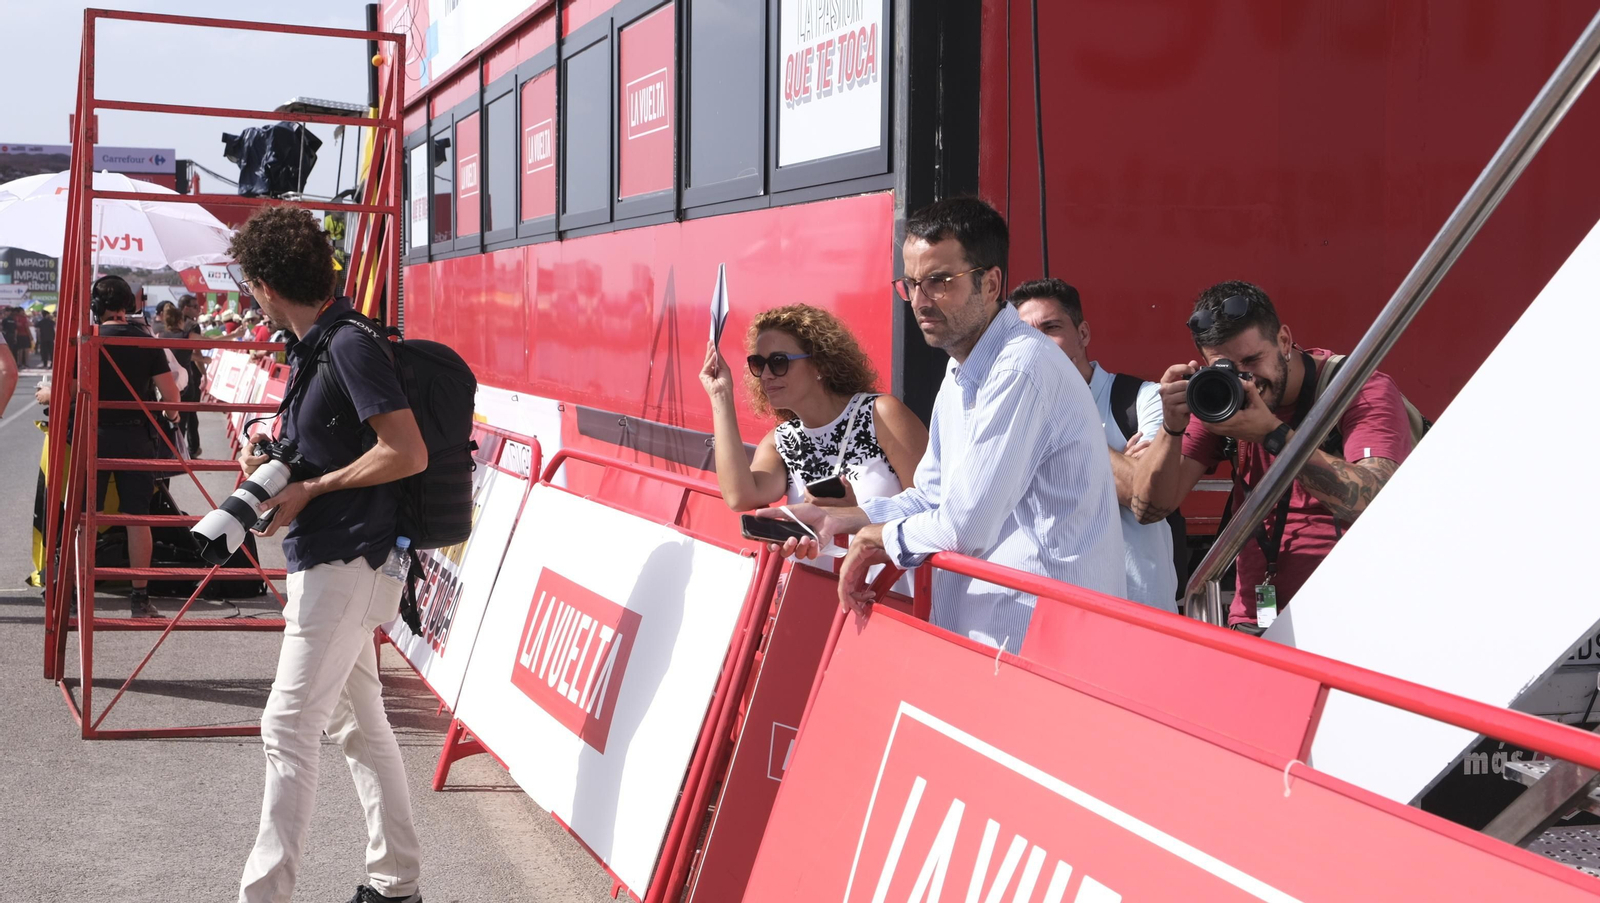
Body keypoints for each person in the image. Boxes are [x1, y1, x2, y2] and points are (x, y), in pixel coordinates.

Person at [771, 198, 1125, 652]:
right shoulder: (963, 367)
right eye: (912, 283)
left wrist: (875, 538)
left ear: (991, 283)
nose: (920, 301)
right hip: (1001, 638)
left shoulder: (1020, 367)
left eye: (939, 281)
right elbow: (931, 496)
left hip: (1044, 645)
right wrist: (833, 518)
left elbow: (964, 527)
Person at [230, 205, 427, 903]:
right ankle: (396, 883)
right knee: (358, 722)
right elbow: (334, 442)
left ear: (262, 285)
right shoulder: (317, 344)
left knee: (287, 725)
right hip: (337, 559)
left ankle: (265, 896)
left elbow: (407, 450)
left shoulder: (344, 344)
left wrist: (314, 485)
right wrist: (275, 457)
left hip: (348, 559)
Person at [1130, 280, 1414, 630]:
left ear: (1283, 340)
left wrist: (1271, 433)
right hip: (1255, 617)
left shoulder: (1357, 389)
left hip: (1350, 619)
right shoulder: (1223, 401)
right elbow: (1149, 509)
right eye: (1229, 368)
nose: (1247, 380)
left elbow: (1373, 498)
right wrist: (1171, 430)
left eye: (1252, 359)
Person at [1011, 278, 1179, 613]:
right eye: (1025, 333)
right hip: (1055, 609)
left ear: (1083, 334)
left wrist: (1056, 427)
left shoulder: (1142, 399)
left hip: (1139, 611)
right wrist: (1122, 464)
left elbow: (1140, 493)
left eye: (1050, 327)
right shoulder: (1010, 414)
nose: (1036, 343)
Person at [697, 301, 928, 522]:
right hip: (809, 563)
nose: (766, 374)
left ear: (820, 363)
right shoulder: (782, 441)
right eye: (759, 363)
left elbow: (932, 509)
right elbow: (740, 497)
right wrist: (720, 396)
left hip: (885, 563)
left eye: (779, 361)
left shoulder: (881, 415)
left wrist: (856, 517)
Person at [87, 276, 182, 618]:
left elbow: (69, 392)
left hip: (93, 436)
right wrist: (171, 415)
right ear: (130, 305)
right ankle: (139, 599)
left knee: (85, 519)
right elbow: (172, 397)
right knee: (137, 519)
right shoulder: (146, 341)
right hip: (136, 438)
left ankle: (74, 596)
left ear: (96, 307)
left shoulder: (88, 341)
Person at [158, 303, 204, 457]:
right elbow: (213, 340)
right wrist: (234, 334)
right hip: (185, 386)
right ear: (179, 321)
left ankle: (168, 454)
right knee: (181, 424)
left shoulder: (160, 337)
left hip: (164, 385)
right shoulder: (187, 336)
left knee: (166, 423)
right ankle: (179, 454)